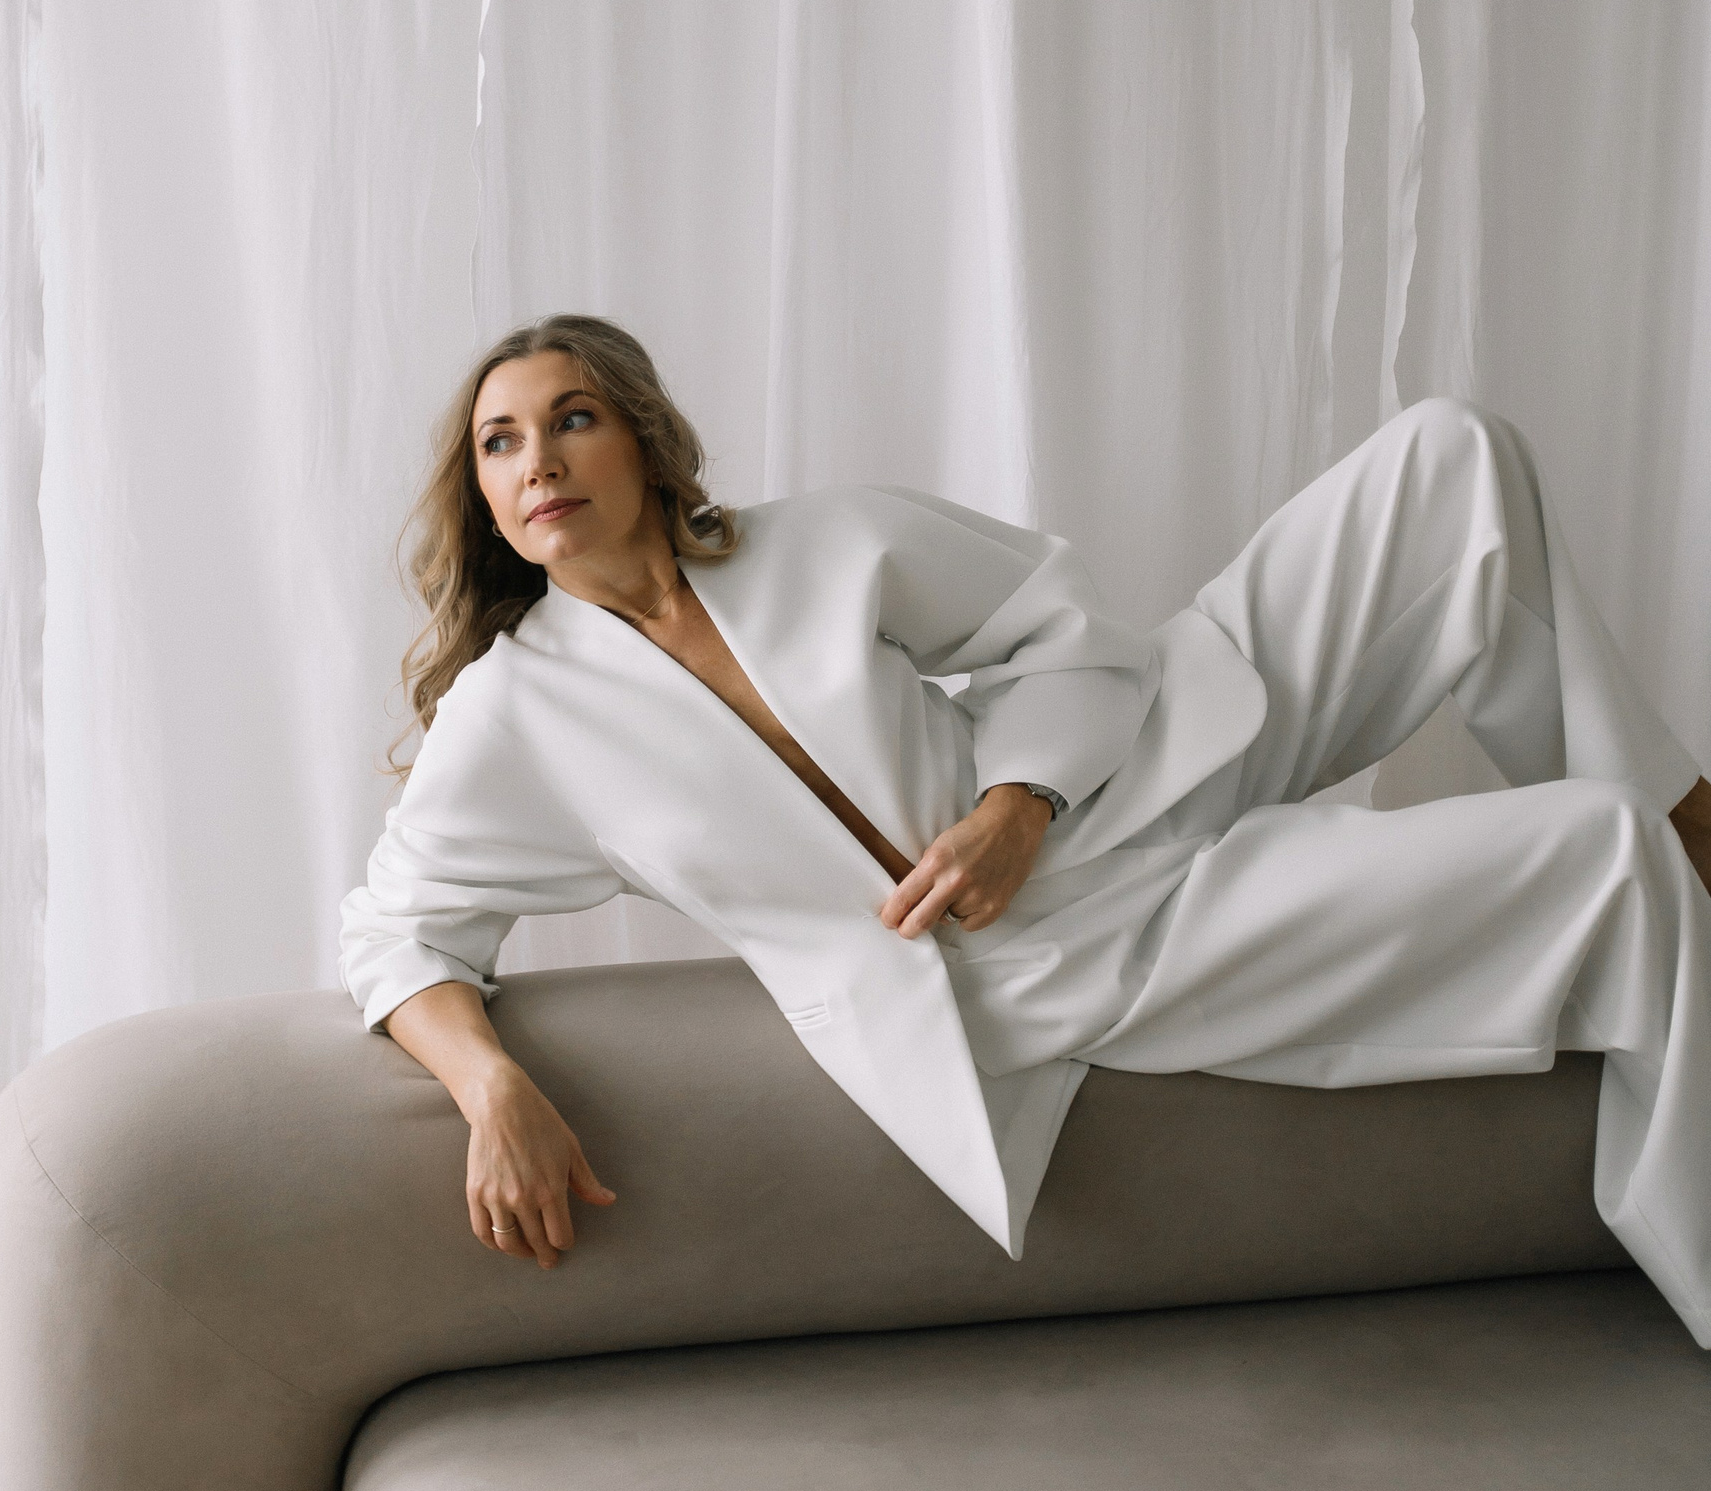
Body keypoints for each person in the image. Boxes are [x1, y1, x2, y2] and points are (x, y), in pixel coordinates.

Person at [340, 314, 1711, 1345]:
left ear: (640, 440)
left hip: (1114, 769)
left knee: (1454, 456)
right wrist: (492, 1089)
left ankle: (1690, 817)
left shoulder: (805, 546)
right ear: (487, 496)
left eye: (572, 418)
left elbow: (1061, 621)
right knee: (1604, 851)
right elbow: (396, 933)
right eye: (500, 442)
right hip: (1060, 941)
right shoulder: (514, 715)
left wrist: (1018, 802)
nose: (539, 459)